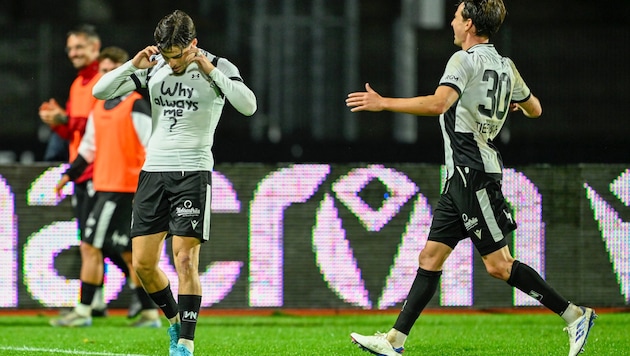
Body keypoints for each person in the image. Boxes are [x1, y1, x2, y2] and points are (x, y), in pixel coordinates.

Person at [345, 1, 596, 356]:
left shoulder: (464, 60)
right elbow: (535, 109)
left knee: (499, 266)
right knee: (430, 258)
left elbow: (438, 104)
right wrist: (512, 104)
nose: (451, 20)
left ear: (468, 24)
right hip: (460, 178)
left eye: (456, 14)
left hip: (472, 174)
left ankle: (574, 315)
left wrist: (384, 103)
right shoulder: (506, 65)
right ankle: (394, 341)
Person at [92, 10, 257, 356]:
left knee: (185, 260)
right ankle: (175, 322)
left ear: (193, 44)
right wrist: (132, 65)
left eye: (179, 54)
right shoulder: (154, 67)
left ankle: (186, 343)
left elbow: (248, 106)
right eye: (167, 55)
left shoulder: (219, 66)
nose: (173, 62)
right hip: (153, 173)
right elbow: (100, 91)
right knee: (143, 264)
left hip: (193, 173)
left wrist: (210, 70)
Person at [50, 46, 161, 328]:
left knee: (90, 245)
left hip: (124, 190)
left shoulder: (135, 104)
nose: (105, 76)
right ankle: (149, 313)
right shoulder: (100, 106)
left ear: (125, 72)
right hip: (105, 186)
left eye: (111, 71)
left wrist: (150, 190)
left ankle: (84, 311)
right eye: (103, 71)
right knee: (127, 252)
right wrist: (68, 175)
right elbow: (88, 149)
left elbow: (153, 149)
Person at [38, 24, 110, 317]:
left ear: (95, 47)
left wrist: (65, 118)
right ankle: (99, 302)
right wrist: (57, 123)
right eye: (70, 48)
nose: (73, 53)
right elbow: (75, 132)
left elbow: (102, 127)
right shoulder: (78, 84)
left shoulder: (102, 81)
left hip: (101, 170)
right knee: (91, 241)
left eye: (79, 47)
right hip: (81, 170)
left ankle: (143, 303)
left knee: (99, 244)